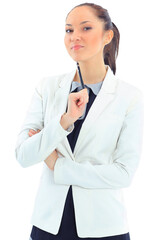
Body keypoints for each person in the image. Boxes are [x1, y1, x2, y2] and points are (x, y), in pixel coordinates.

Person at [15, 2, 144, 240]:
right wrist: (64, 121)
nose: (75, 37)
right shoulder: (47, 88)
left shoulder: (129, 97)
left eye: (86, 28)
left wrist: (58, 165)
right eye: (68, 30)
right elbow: (24, 155)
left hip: (105, 228)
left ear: (108, 35)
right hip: (48, 226)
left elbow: (123, 173)